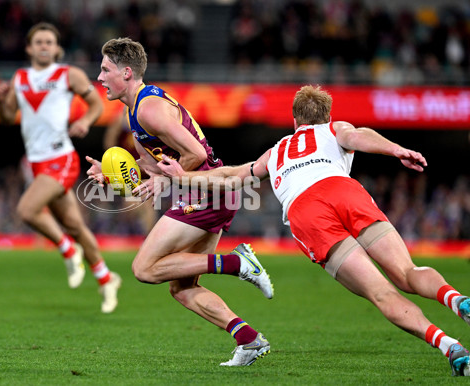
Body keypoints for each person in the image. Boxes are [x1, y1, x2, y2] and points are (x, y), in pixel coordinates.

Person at [152, 85, 470, 376]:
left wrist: (182, 177)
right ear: (327, 116)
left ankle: (449, 346)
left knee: (382, 293)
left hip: (306, 210)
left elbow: (231, 176)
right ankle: (457, 301)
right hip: (345, 191)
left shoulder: (277, 151)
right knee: (407, 272)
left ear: (294, 122)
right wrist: (396, 149)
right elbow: (358, 135)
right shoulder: (335, 129)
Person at [86, 37, 274, 366]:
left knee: (143, 269)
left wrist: (162, 180)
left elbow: (197, 153)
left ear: (126, 72)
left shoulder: (149, 109)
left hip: (204, 191)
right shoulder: (135, 111)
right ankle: (247, 338)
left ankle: (236, 263)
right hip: (207, 193)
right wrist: (113, 173)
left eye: (105, 70)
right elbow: (148, 165)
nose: (99, 77)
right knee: (182, 288)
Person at [0, 22, 121, 314]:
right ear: (29, 48)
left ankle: (67, 249)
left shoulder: (68, 75)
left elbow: (96, 105)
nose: (43, 46)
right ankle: (105, 278)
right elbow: (6, 117)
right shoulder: (20, 78)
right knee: (76, 225)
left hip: (60, 157)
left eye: (49, 42)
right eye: (38, 42)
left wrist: (85, 122)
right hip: (38, 162)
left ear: (57, 48)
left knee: (27, 210)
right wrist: (2, 102)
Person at [103, 107, 156, 234]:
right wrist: (112, 161)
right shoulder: (121, 118)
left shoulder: (147, 116)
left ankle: (148, 235)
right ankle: (128, 233)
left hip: (144, 168)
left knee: (147, 203)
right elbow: (110, 139)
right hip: (126, 168)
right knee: (130, 204)